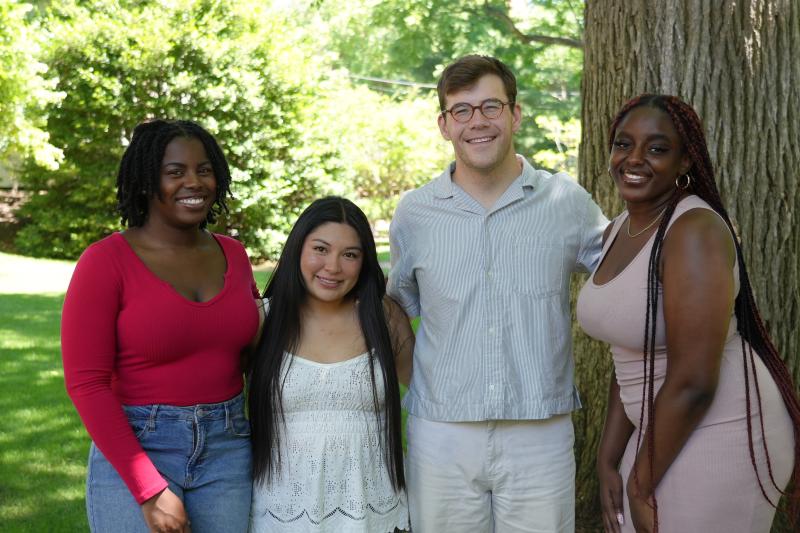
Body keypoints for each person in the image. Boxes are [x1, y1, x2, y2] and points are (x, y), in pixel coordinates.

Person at [387, 54, 607, 532]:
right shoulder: (415, 213)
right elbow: (397, 306)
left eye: (490, 106)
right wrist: (422, 379)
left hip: (540, 431)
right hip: (441, 434)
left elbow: (621, 270)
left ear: (515, 114)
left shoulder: (565, 201)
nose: (477, 122)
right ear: (444, 125)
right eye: (461, 110)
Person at [576, 94, 800, 532]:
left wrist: (639, 484)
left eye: (657, 148)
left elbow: (695, 379)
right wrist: (608, 458)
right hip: (658, 432)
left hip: (723, 428)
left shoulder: (693, 231)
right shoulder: (621, 228)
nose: (635, 158)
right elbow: (628, 357)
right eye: (624, 144)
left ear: (684, 162)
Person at [62, 119, 260, 533]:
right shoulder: (105, 262)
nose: (195, 182)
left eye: (204, 170)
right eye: (176, 172)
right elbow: (87, 384)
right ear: (147, 181)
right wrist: (149, 490)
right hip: (138, 443)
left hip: (228, 445)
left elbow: (253, 353)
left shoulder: (234, 255)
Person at [247, 196, 414, 533]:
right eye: (320, 249)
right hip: (283, 511)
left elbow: (429, 400)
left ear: (364, 261)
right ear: (298, 249)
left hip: (372, 510)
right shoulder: (263, 319)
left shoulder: (384, 317)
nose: (333, 267)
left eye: (349, 254)